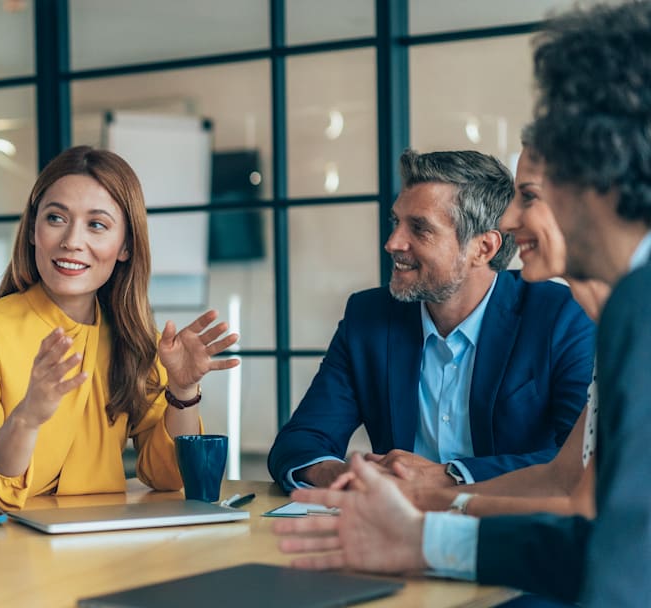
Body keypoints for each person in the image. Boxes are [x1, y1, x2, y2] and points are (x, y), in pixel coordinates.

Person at [273, 3, 651, 605]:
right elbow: (571, 493)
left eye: (529, 195)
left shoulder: (619, 309)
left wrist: (432, 514)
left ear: (600, 166)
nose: (512, 219)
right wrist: (422, 522)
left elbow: (610, 548)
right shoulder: (628, 307)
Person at [267, 149, 595, 492]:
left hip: (508, 531)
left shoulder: (562, 316)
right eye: (397, 222)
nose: (392, 243)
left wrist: (448, 475)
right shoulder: (368, 317)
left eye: (420, 228)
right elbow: (300, 441)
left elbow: (582, 461)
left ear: (483, 248)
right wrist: (341, 475)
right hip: (391, 530)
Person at [0, 145, 239, 511]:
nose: (72, 242)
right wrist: (27, 417)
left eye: (97, 225)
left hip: (94, 539)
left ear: (125, 245)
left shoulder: (138, 341)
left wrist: (183, 389)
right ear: (33, 230)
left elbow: (169, 476)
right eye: (55, 218)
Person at [397, 135, 608, 519]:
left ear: (592, 204)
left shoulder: (629, 329)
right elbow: (561, 478)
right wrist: (416, 503)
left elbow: (590, 519)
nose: (508, 221)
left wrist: (431, 539)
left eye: (527, 196)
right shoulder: (615, 330)